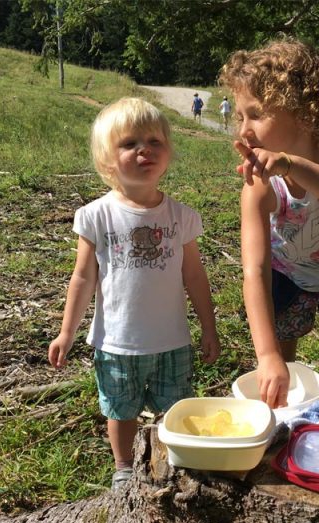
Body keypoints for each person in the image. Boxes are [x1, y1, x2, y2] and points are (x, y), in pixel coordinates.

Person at [48, 97, 220, 489]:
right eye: (129, 144)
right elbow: (82, 278)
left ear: (168, 152)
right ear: (109, 161)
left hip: (172, 340)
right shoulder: (96, 216)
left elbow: (195, 277)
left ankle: (173, 459)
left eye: (154, 141)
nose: (144, 149)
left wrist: (208, 329)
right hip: (117, 342)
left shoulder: (182, 216)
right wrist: (66, 332)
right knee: (120, 409)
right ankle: (124, 466)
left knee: (174, 409)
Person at [218, 38, 319, 410]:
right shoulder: (260, 184)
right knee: (280, 376)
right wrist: (267, 355)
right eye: (240, 116)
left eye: (256, 114)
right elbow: (254, 272)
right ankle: (285, 423)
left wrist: (294, 166)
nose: (243, 130)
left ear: (305, 112)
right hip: (286, 275)